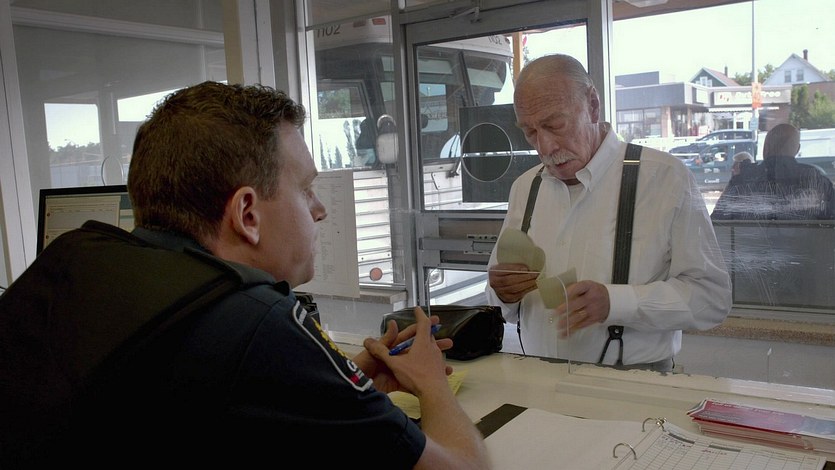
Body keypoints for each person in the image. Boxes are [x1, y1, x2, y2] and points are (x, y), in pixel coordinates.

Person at [0, 82, 488, 469]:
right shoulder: (257, 321)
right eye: (306, 189)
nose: (319, 209)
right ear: (247, 214)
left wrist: (329, 390)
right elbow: (465, 467)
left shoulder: (76, 260)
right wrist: (430, 382)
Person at [485, 54, 731, 371]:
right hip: (536, 377)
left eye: (555, 125)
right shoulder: (524, 188)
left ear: (593, 105)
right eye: (530, 132)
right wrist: (503, 294)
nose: (544, 147)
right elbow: (497, 299)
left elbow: (710, 299)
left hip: (633, 386)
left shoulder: (666, 178)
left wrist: (616, 303)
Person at [712, 123, 835, 220]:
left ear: (766, 148)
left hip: (750, 245)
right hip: (807, 245)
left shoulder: (742, 182)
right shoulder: (817, 181)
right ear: (797, 149)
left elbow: (716, 225)